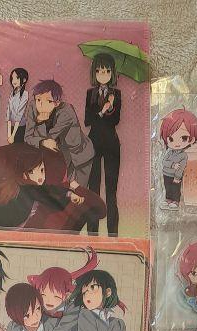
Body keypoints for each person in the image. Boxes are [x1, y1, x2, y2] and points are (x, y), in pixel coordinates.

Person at [24, 80, 94, 189]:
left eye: (48, 101)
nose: (41, 105)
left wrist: (39, 122)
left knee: (78, 192)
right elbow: (28, 137)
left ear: (57, 102)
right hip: (57, 157)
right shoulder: (32, 107)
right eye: (38, 99)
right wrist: (42, 141)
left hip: (79, 156)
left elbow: (51, 139)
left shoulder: (67, 111)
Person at [84, 53, 122, 236]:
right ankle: (92, 233)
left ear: (112, 73)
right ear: (94, 72)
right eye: (99, 71)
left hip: (112, 144)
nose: (103, 75)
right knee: (93, 190)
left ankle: (113, 234)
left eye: (107, 71)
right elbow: (87, 120)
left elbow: (116, 120)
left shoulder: (117, 94)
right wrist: (102, 110)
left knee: (111, 190)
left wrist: (111, 107)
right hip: (93, 144)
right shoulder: (90, 94)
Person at [7, 67, 29, 143]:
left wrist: (12, 135)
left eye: (17, 78)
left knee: (18, 147)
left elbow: (19, 114)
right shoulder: (12, 94)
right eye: (12, 78)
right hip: (12, 127)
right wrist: (9, 134)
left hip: (20, 127)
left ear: (24, 80)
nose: (13, 81)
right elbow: (8, 113)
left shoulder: (25, 94)